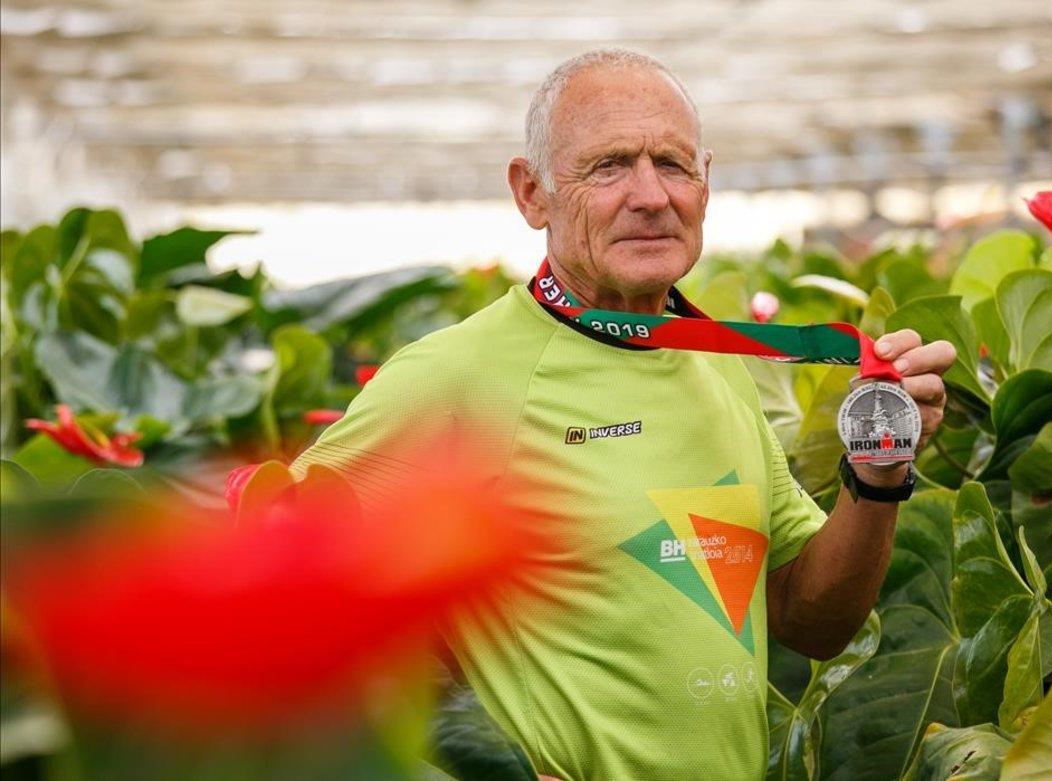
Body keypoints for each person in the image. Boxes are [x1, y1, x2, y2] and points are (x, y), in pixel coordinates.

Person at [290, 48, 955, 781]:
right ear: (531, 193)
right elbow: (278, 596)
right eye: (608, 166)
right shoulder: (454, 378)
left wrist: (877, 474)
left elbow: (809, 618)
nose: (650, 195)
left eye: (672, 165)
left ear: (707, 184)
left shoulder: (719, 362)